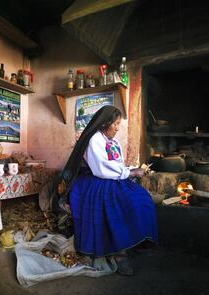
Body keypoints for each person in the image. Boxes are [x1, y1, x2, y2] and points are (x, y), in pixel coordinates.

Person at [51, 105, 157, 276]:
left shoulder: (113, 142)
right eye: (115, 124)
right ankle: (119, 254)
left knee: (141, 197)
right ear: (104, 123)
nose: (117, 128)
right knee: (118, 202)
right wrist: (130, 172)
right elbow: (100, 168)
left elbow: (116, 166)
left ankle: (129, 241)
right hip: (94, 180)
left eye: (118, 124)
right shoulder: (94, 139)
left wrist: (131, 170)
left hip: (110, 177)